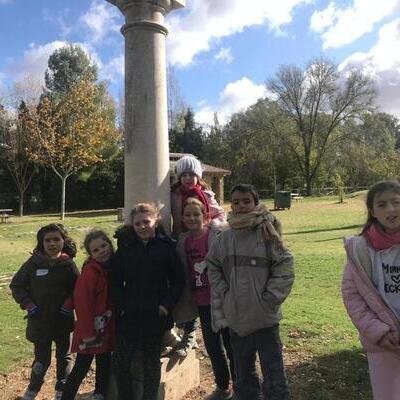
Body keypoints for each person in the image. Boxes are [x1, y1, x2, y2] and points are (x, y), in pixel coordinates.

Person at [206, 184, 295, 400]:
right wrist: (224, 292)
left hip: (265, 318)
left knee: (273, 371)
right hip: (237, 318)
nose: (241, 205)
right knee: (243, 371)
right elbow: (212, 265)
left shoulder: (266, 231)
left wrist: (270, 298)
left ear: (255, 203)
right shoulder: (225, 238)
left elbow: (285, 264)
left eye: (247, 201)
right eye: (236, 201)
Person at [112, 203, 185, 400]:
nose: (143, 226)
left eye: (146, 221)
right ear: (132, 226)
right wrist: (122, 307)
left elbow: (178, 281)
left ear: (156, 221)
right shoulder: (126, 248)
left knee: (151, 361)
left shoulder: (167, 247)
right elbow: (116, 281)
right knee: (121, 361)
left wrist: (165, 306)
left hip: (156, 313)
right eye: (138, 224)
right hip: (130, 313)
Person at [342, 180, 400, 400]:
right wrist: (378, 331)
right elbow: (352, 295)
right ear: (372, 211)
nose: (391, 209)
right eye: (382, 204)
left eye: (396, 202)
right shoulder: (361, 249)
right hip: (384, 343)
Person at [10, 224, 79, 400]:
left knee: (65, 358)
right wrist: (28, 304)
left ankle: (61, 391)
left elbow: (78, 289)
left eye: (57, 239)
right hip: (40, 322)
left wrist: (69, 304)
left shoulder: (69, 265)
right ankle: (32, 391)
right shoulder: (33, 263)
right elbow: (16, 285)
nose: (52, 243)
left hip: (63, 322)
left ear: (64, 240)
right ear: (42, 242)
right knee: (41, 360)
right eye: (48, 240)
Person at [175, 197, 235, 399]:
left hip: (222, 299)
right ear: (182, 218)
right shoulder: (183, 241)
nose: (192, 218)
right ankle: (223, 386)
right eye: (187, 215)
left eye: (196, 214)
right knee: (212, 346)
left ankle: (240, 385)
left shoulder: (217, 235)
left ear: (206, 216)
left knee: (231, 344)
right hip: (201, 302)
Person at [171, 155, 226, 355]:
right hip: (181, 245)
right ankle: (189, 332)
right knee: (186, 288)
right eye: (183, 174)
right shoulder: (173, 195)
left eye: (191, 174)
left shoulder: (206, 195)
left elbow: (220, 215)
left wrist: (209, 229)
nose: (187, 178)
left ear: (198, 176)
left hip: (204, 243)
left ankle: (200, 332)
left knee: (205, 288)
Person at [61, 230, 115, 400]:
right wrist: (88, 335)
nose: (102, 251)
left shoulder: (112, 267)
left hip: (106, 326)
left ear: (110, 244)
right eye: (96, 250)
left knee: (104, 363)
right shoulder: (90, 273)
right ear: (90, 254)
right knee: (81, 367)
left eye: (104, 246)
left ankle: (99, 394)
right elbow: (82, 305)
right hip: (90, 331)